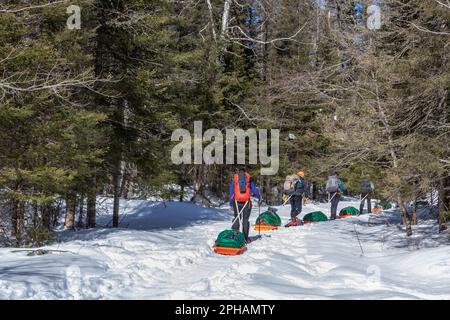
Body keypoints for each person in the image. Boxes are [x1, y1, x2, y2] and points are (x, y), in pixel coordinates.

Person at [229, 167, 260, 243]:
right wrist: (258, 196)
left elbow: (232, 191)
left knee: (236, 218)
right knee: (245, 220)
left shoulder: (235, 180)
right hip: (246, 203)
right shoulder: (248, 180)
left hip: (236, 202)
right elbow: (254, 191)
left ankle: (235, 236)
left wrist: (230, 202)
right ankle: (245, 238)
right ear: (246, 172)